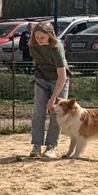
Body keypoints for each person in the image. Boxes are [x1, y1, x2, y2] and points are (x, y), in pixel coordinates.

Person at [27, 22, 69, 158]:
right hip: (41, 79)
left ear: (50, 36)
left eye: (42, 37)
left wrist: (53, 99)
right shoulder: (32, 45)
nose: (39, 40)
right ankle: (36, 146)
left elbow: (62, 76)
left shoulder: (57, 48)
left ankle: (51, 147)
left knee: (55, 113)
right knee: (39, 112)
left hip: (58, 80)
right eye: (37, 37)